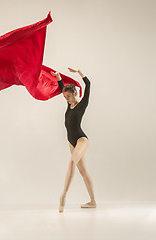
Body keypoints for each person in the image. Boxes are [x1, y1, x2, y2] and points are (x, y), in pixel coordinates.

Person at [50, 68, 96, 213]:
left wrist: (79, 72)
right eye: (65, 97)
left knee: (71, 162)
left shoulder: (81, 105)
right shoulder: (68, 105)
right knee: (83, 172)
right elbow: (61, 87)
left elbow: (88, 85)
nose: (66, 99)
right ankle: (93, 201)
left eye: (68, 96)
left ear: (75, 93)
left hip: (81, 140)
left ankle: (63, 195)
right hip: (71, 142)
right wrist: (58, 77)